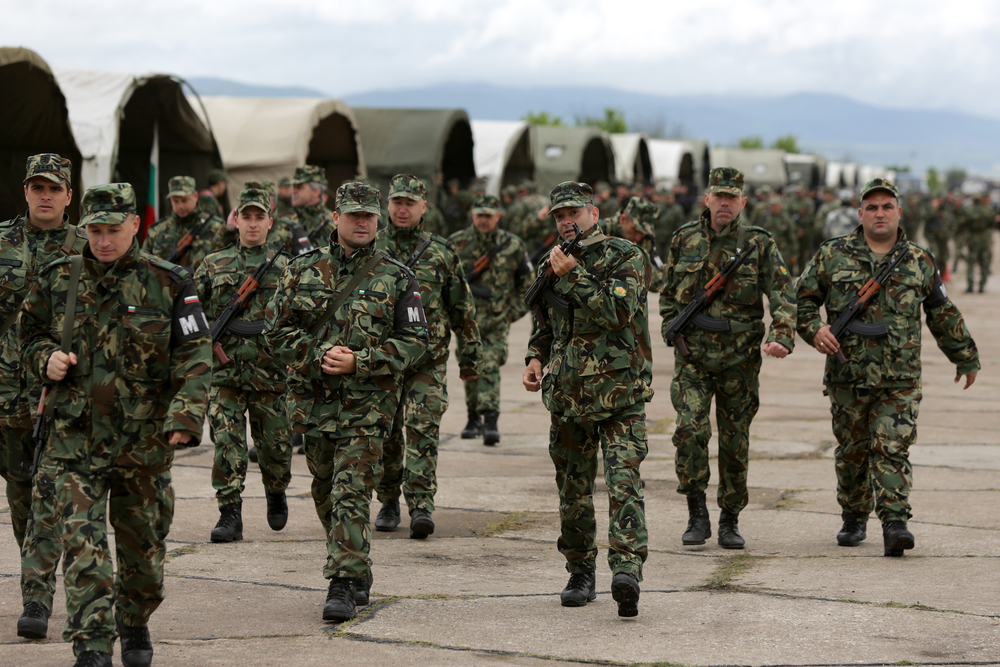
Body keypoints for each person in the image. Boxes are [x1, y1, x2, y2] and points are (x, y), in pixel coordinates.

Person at [20, 182, 211, 667]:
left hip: (142, 444)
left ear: (135, 225)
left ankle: (134, 618)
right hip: (73, 443)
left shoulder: (170, 283)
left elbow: (194, 357)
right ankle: (92, 649)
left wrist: (185, 417)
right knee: (84, 553)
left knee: (144, 559)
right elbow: (29, 336)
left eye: (112, 230)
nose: (102, 241)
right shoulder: (59, 277)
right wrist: (45, 359)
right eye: (94, 231)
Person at [264, 181, 428, 623]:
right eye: (353, 215)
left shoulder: (397, 275)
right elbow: (274, 333)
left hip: (369, 408)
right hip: (314, 406)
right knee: (323, 489)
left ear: (377, 221)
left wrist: (362, 361)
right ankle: (356, 565)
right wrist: (318, 356)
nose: (361, 222)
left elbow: (415, 342)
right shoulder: (301, 270)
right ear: (334, 218)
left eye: (369, 216)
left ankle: (342, 580)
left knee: (350, 490)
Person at [796, 178, 980, 557]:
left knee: (891, 448)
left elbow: (941, 312)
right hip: (847, 376)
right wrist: (815, 330)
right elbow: (799, 302)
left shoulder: (919, 259)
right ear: (860, 213)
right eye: (872, 207)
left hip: (900, 378)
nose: (880, 213)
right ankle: (853, 515)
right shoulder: (832, 255)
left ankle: (895, 523)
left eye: (887, 206)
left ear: (899, 212)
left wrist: (964, 355)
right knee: (852, 451)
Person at [522, 181, 653, 618]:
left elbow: (617, 313)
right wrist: (535, 358)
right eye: (559, 216)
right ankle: (580, 571)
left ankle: (627, 571)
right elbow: (544, 325)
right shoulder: (550, 262)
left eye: (574, 213)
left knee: (624, 485)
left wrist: (571, 274)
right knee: (573, 493)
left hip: (621, 396)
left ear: (594, 215)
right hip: (568, 397)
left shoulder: (625, 255)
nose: (566, 222)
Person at [659, 167, 795, 550]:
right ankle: (696, 512)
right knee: (689, 432)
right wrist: (674, 327)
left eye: (731, 197)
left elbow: (784, 294)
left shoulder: (759, 243)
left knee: (735, 443)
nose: (724, 203)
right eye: (718, 196)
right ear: (706, 199)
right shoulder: (684, 239)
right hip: (693, 361)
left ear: (743, 202)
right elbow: (668, 293)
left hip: (740, 361)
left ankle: (730, 519)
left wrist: (781, 334)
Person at [0, 154, 89, 641]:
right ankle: (37, 579)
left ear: (69, 195)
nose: (46, 195)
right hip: (6, 393)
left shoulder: (86, 247)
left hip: (60, 393)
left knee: (49, 498)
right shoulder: (2, 241)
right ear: (26, 191)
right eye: (37, 187)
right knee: (20, 498)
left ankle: (37, 596)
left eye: (54, 187)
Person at [372, 174, 480, 537]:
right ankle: (387, 500)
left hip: (428, 361)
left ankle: (420, 504)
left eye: (409, 203)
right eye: (396, 203)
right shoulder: (371, 246)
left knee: (423, 431)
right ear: (387, 205)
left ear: (423, 207)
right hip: (381, 361)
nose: (402, 210)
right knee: (385, 434)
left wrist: (470, 359)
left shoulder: (441, 251)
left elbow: (462, 309)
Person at [194, 188, 292, 542]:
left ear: (270, 221)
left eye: (259, 217)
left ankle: (276, 489)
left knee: (276, 448)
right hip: (225, 374)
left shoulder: (287, 267)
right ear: (235, 219)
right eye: (245, 216)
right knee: (227, 443)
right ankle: (229, 512)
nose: (252, 224)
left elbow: (300, 315)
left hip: (271, 373)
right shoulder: (213, 263)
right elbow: (192, 311)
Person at [448, 193, 532, 443]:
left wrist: (511, 313)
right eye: (479, 215)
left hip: (497, 321)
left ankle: (491, 419)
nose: (483, 220)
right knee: (470, 367)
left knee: (491, 365)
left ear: (498, 216)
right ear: (472, 215)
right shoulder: (456, 243)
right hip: (466, 322)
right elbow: (445, 282)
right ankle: (473, 417)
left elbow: (527, 285)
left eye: (488, 215)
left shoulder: (513, 245)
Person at [143, 175, 226, 272]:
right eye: (175, 201)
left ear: (195, 196)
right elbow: (143, 266)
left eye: (184, 200)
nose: (180, 206)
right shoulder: (157, 230)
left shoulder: (216, 227)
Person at [282, 165, 337, 249]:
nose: (293, 191)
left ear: (315, 192)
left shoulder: (333, 224)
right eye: (293, 187)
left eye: (299, 187)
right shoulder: (286, 221)